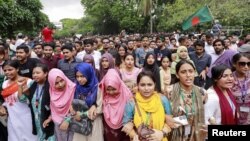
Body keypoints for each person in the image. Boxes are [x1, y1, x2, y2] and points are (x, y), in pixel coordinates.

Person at [122, 71, 172, 141]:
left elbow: (170, 122)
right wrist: (134, 136)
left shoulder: (162, 99)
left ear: (154, 85)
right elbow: (126, 123)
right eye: (142, 85)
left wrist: (162, 133)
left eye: (149, 85)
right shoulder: (132, 102)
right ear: (138, 85)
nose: (146, 88)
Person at [166, 60, 207, 141]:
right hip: (176, 133)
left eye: (191, 71)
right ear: (177, 75)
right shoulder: (169, 91)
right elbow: (164, 114)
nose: (188, 75)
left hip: (196, 135)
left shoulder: (202, 92)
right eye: (183, 72)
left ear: (194, 73)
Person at [1, 60, 37, 140]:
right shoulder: (5, 84)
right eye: (5, 70)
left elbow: (32, 101)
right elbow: (7, 101)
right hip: (12, 117)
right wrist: (2, 107)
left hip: (26, 117)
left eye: (10, 70)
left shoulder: (28, 82)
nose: (7, 72)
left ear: (17, 69)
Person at [18, 63, 55, 140]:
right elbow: (22, 99)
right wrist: (20, 86)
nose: (34, 75)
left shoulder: (51, 86)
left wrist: (50, 117)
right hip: (37, 119)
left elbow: (56, 105)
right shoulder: (33, 85)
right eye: (33, 73)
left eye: (38, 73)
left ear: (45, 74)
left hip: (49, 119)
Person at [72, 63, 103, 141]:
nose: (79, 79)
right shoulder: (76, 88)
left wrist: (94, 105)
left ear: (89, 74)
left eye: (82, 76)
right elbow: (74, 104)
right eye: (77, 76)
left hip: (94, 122)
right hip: (80, 123)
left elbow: (100, 107)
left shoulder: (97, 88)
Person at [99, 69, 133, 141]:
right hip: (108, 131)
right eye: (108, 89)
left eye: (114, 89)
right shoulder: (102, 96)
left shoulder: (127, 95)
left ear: (118, 85)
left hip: (124, 129)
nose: (111, 92)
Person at [48, 68, 76, 141]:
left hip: (73, 123)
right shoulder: (51, 91)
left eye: (62, 81)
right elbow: (53, 109)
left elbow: (76, 108)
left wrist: (67, 119)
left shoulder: (72, 88)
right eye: (56, 83)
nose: (60, 84)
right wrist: (50, 117)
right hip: (58, 125)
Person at [231, 53, 250, 125]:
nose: (246, 67)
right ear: (234, 64)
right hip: (234, 114)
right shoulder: (229, 78)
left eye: (248, 64)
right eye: (242, 64)